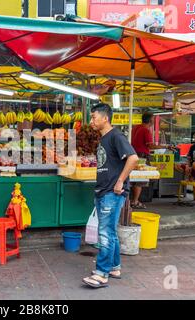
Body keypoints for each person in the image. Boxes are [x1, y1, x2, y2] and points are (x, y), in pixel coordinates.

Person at [83, 103, 138, 289]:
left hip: (112, 192)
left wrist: (121, 181)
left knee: (104, 234)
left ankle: (101, 273)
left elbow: (133, 158)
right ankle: (114, 267)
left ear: (105, 118)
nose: (91, 121)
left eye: (93, 117)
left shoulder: (116, 136)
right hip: (103, 190)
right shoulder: (103, 139)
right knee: (110, 232)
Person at [131, 112, 174, 209]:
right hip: (142, 156)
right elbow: (151, 145)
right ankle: (135, 201)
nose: (154, 121)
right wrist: (166, 146)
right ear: (150, 120)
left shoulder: (135, 128)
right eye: (153, 119)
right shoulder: (146, 130)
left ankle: (133, 200)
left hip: (134, 155)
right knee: (140, 179)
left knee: (134, 178)